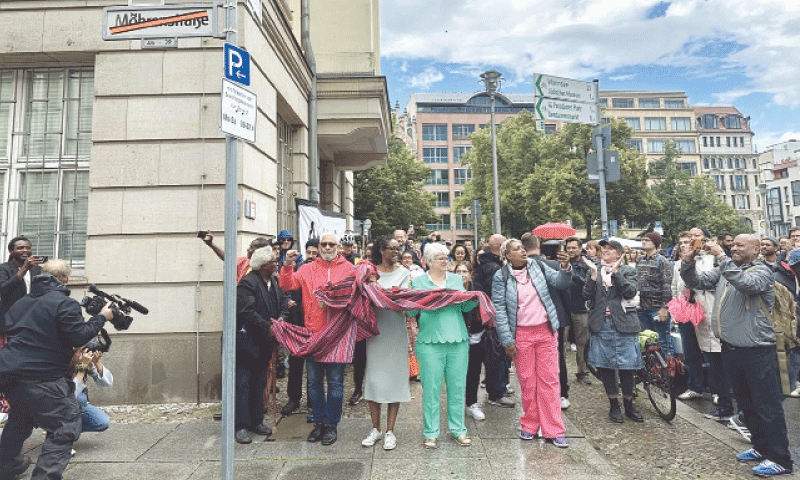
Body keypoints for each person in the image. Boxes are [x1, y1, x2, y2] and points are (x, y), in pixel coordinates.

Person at [682, 234, 793, 477]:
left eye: (740, 245)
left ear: (755, 249)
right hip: (732, 348)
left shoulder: (761, 271)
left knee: (767, 406)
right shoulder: (727, 270)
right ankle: (760, 447)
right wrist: (687, 262)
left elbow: (746, 284)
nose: (734, 248)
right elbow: (697, 281)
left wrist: (721, 256)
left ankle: (781, 459)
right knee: (746, 403)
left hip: (758, 350)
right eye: (732, 245)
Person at [0, 260, 113, 480]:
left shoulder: (23, 302)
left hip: (8, 371)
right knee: (66, 424)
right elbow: (79, 336)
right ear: (66, 280)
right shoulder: (64, 302)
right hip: (42, 375)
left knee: (21, 418)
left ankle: (6, 467)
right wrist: (102, 317)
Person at [493, 238, 572, 447]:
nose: (522, 251)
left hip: (546, 332)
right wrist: (507, 340)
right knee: (528, 382)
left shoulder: (537, 266)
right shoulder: (500, 276)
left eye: (522, 247)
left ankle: (554, 430)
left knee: (550, 381)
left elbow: (561, 283)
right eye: (517, 249)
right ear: (508, 255)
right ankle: (530, 424)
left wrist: (565, 268)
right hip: (520, 336)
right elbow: (499, 311)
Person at [280, 233, 355, 446]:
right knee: (313, 383)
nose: (328, 247)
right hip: (314, 333)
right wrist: (287, 264)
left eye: (332, 244)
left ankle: (331, 425)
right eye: (324, 244)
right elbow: (287, 284)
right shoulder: (306, 268)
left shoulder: (349, 269)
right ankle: (319, 423)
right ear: (319, 246)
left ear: (338, 247)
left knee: (336, 384)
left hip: (338, 334)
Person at [407, 243, 477, 449]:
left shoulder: (456, 280)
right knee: (430, 389)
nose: (446, 260)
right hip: (429, 341)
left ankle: (458, 430)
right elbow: (411, 313)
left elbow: (465, 308)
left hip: (458, 339)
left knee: (457, 388)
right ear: (428, 262)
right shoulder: (418, 281)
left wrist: (471, 296)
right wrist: (409, 301)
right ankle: (431, 432)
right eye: (440, 258)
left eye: (446, 257)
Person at [582, 239, 644, 424]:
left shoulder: (628, 270)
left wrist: (616, 273)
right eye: (603, 250)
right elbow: (586, 295)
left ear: (618, 254)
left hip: (624, 323)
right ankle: (614, 405)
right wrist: (594, 275)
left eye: (610, 250)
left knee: (627, 367)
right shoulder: (593, 270)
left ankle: (629, 404)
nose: (605, 253)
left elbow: (630, 292)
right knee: (606, 366)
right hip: (602, 324)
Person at [360, 237, 411, 451]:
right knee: (374, 380)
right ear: (382, 250)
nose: (397, 252)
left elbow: (404, 301)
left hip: (396, 330)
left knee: (395, 381)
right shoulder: (369, 272)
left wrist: (381, 293)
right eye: (393, 248)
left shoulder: (404, 273)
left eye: (399, 249)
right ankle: (375, 429)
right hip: (375, 331)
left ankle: (390, 431)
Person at [234, 247, 288, 444]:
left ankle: (256, 420)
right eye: (274, 262)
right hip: (247, 343)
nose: (277, 264)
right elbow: (246, 312)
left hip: (265, 343)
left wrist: (282, 318)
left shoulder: (273, 280)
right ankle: (240, 425)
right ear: (265, 266)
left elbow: (282, 300)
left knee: (260, 383)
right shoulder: (247, 284)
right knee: (243, 384)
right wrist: (268, 327)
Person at [521, 233, 572, 410]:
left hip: (528, 320)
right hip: (555, 318)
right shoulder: (553, 265)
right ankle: (562, 394)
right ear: (538, 246)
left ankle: (536, 395)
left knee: (531, 362)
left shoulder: (520, 268)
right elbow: (565, 291)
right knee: (558, 358)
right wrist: (565, 315)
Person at [473, 234, 514, 408]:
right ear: (500, 247)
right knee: (496, 355)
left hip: (491, 317)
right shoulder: (493, 267)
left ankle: (499, 388)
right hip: (495, 318)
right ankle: (496, 392)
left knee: (497, 355)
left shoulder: (488, 264)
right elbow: (496, 295)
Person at [281, 237, 320, 416]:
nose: (311, 256)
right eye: (309, 252)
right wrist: (287, 301)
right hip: (297, 323)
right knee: (296, 363)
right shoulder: (299, 269)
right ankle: (293, 398)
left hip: (315, 326)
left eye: (315, 253)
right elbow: (286, 287)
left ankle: (314, 400)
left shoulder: (321, 271)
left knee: (315, 366)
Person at [671, 232, 708, 403]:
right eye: (682, 243)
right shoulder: (678, 264)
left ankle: (717, 389)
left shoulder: (707, 262)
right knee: (690, 351)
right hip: (686, 309)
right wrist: (675, 312)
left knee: (709, 351)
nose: (684, 245)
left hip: (704, 310)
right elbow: (674, 289)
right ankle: (695, 387)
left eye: (688, 242)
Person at [457, 261, 487, 422]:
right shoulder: (451, 290)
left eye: (464, 271)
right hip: (456, 336)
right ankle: (455, 405)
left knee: (474, 371)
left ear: (470, 273)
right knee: (456, 373)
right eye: (458, 271)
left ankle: (471, 403)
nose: (462, 274)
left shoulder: (477, 289)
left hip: (476, 336)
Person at [635, 231, 673, 350]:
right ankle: (652, 368)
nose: (644, 242)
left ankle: (667, 367)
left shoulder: (662, 261)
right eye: (643, 240)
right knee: (648, 341)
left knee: (663, 342)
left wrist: (664, 308)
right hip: (643, 308)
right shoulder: (640, 260)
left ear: (655, 243)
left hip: (657, 309)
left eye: (647, 240)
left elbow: (667, 286)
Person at [563, 237, 592, 385]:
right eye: (568, 248)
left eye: (574, 248)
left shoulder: (586, 265)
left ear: (580, 249)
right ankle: (559, 374)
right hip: (563, 309)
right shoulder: (560, 264)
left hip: (581, 308)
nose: (571, 250)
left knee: (582, 343)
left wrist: (573, 274)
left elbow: (588, 284)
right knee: (560, 344)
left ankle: (582, 372)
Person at [200, 232, 270, 283]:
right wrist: (211, 244)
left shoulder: (268, 268)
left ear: (260, 251)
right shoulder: (245, 261)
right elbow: (227, 258)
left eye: (251, 247)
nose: (248, 249)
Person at [71, 348, 113, 433]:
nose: (85, 355)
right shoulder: (60, 363)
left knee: (102, 422)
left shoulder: (83, 362)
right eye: (81, 351)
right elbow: (70, 395)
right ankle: (60, 431)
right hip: (59, 406)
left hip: (80, 406)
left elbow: (107, 382)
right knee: (79, 398)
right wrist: (82, 368)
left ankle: (66, 430)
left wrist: (96, 362)